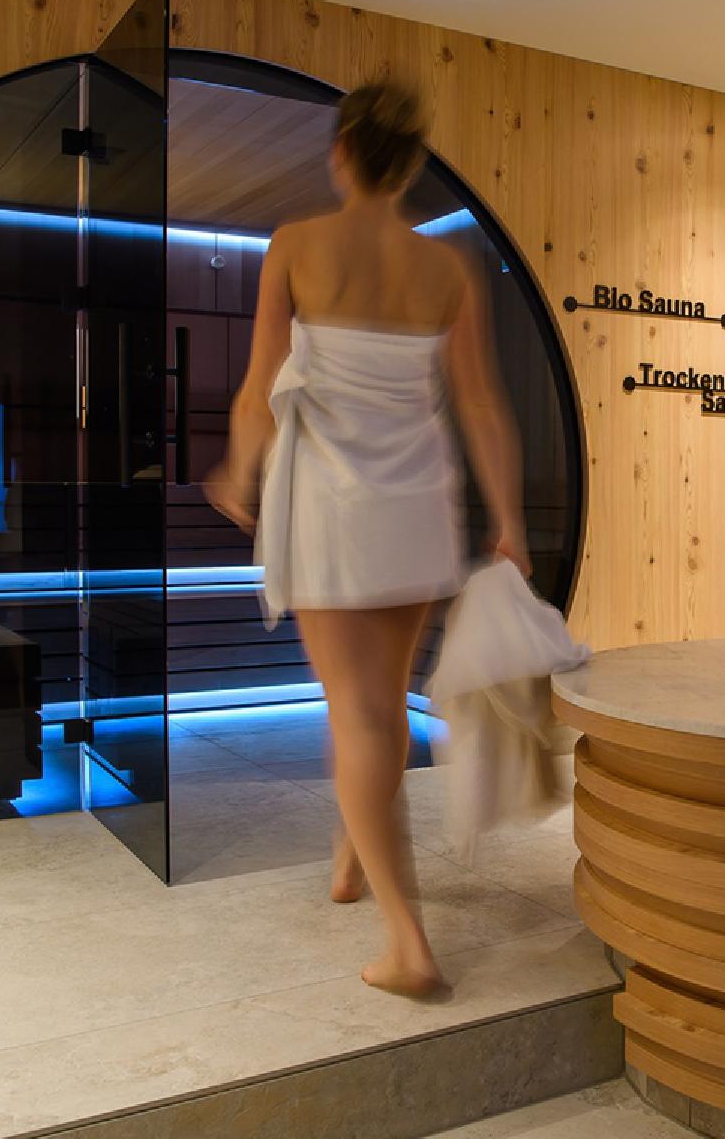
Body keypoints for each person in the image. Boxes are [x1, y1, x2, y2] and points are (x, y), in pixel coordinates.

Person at [206, 79, 528, 999]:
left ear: (341, 151)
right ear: (411, 163)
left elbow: (259, 384)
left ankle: (408, 944)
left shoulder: (297, 245)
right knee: (378, 704)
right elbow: (480, 404)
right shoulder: (446, 269)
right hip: (419, 503)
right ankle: (351, 859)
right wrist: (507, 519)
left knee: (358, 713)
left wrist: (239, 470)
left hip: (331, 507)